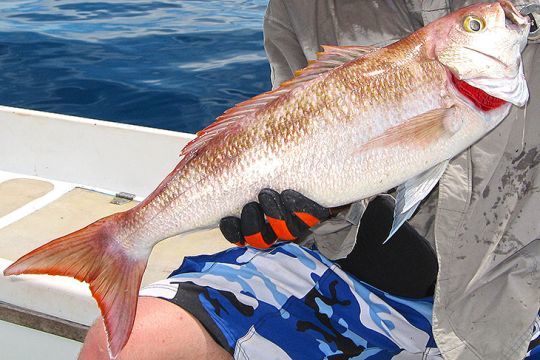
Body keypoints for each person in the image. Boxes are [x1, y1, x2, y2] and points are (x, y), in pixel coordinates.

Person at [80, 1, 540, 359]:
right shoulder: (297, 8)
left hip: (521, 289)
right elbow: (301, 143)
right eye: (475, 27)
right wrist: (301, 217)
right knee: (127, 346)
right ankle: (123, 243)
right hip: (358, 273)